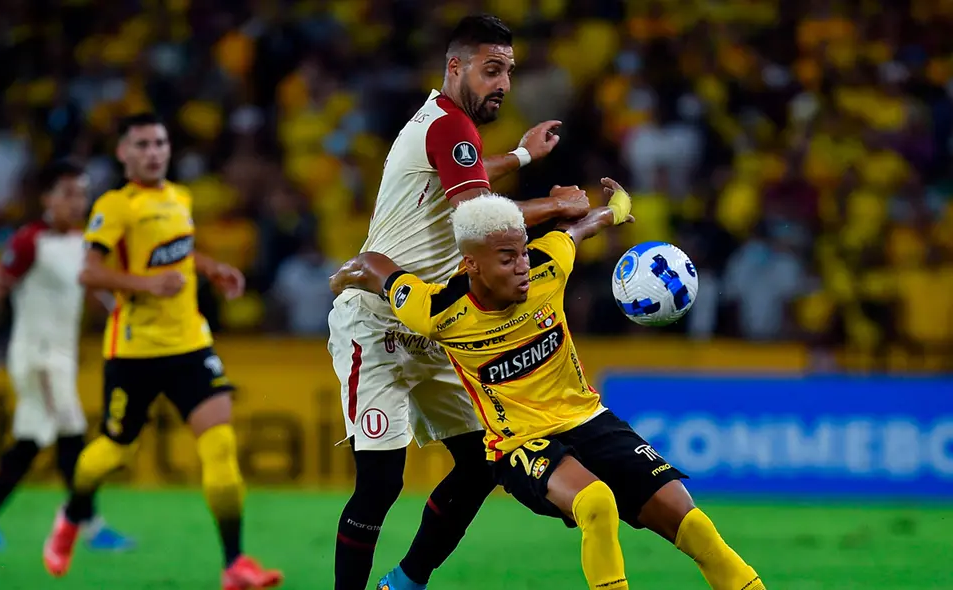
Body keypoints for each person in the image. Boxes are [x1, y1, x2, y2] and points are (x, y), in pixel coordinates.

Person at [330, 184, 767, 590]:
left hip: (587, 418)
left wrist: (617, 209)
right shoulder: (438, 312)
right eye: (507, 259)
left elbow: (578, 229)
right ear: (472, 265)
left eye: (522, 253)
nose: (522, 267)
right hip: (520, 442)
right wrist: (348, 271)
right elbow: (379, 270)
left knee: (689, 520)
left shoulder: (547, 265)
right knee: (596, 503)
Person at [326, 14, 590, 590]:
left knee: (482, 462)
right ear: (455, 66)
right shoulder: (448, 127)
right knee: (380, 482)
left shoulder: (448, 127)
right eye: (491, 70)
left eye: (508, 73)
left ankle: (405, 582)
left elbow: (470, 177)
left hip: (430, 323)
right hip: (375, 322)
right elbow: (481, 221)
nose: (502, 84)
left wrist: (521, 158)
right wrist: (555, 204)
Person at [41, 113, 283, 590]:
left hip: (190, 344)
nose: (153, 152)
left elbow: (177, 252)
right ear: (124, 154)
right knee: (113, 451)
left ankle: (234, 564)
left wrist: (211, 268)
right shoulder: (115, 206)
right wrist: (147, 285)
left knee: (220, 445)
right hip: (134, 351)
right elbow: (90, 272)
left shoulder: (180, 198)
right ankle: (70, 516)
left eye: (160, 143)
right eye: (143, 144)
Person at [0, 161, 131, 552]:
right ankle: (90, 526)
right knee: (71, 435)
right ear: (47, 198)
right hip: (36, 357)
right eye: (68, 193)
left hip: (61, 358)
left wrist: (124, 315)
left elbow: (93, 293)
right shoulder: (28, 241)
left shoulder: (80, 243)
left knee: (31, 440)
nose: (77, 202)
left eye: (82, 194)